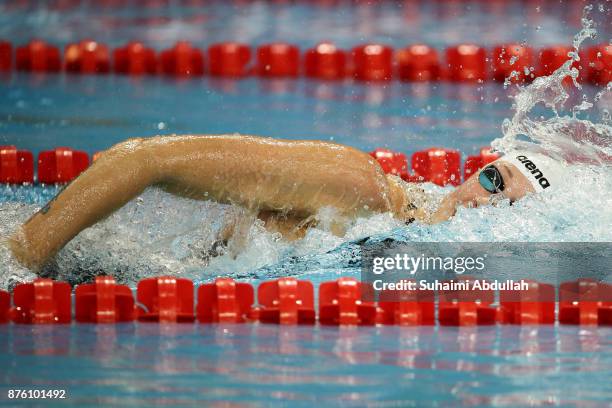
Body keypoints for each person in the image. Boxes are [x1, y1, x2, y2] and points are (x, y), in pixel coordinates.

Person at [7, 134, 562, 270]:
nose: (490, 205)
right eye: (494, 181)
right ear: (475, 173)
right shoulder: (359, 187)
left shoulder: (399, 243)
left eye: (512, 204)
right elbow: (143, 158)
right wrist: (22, 255)